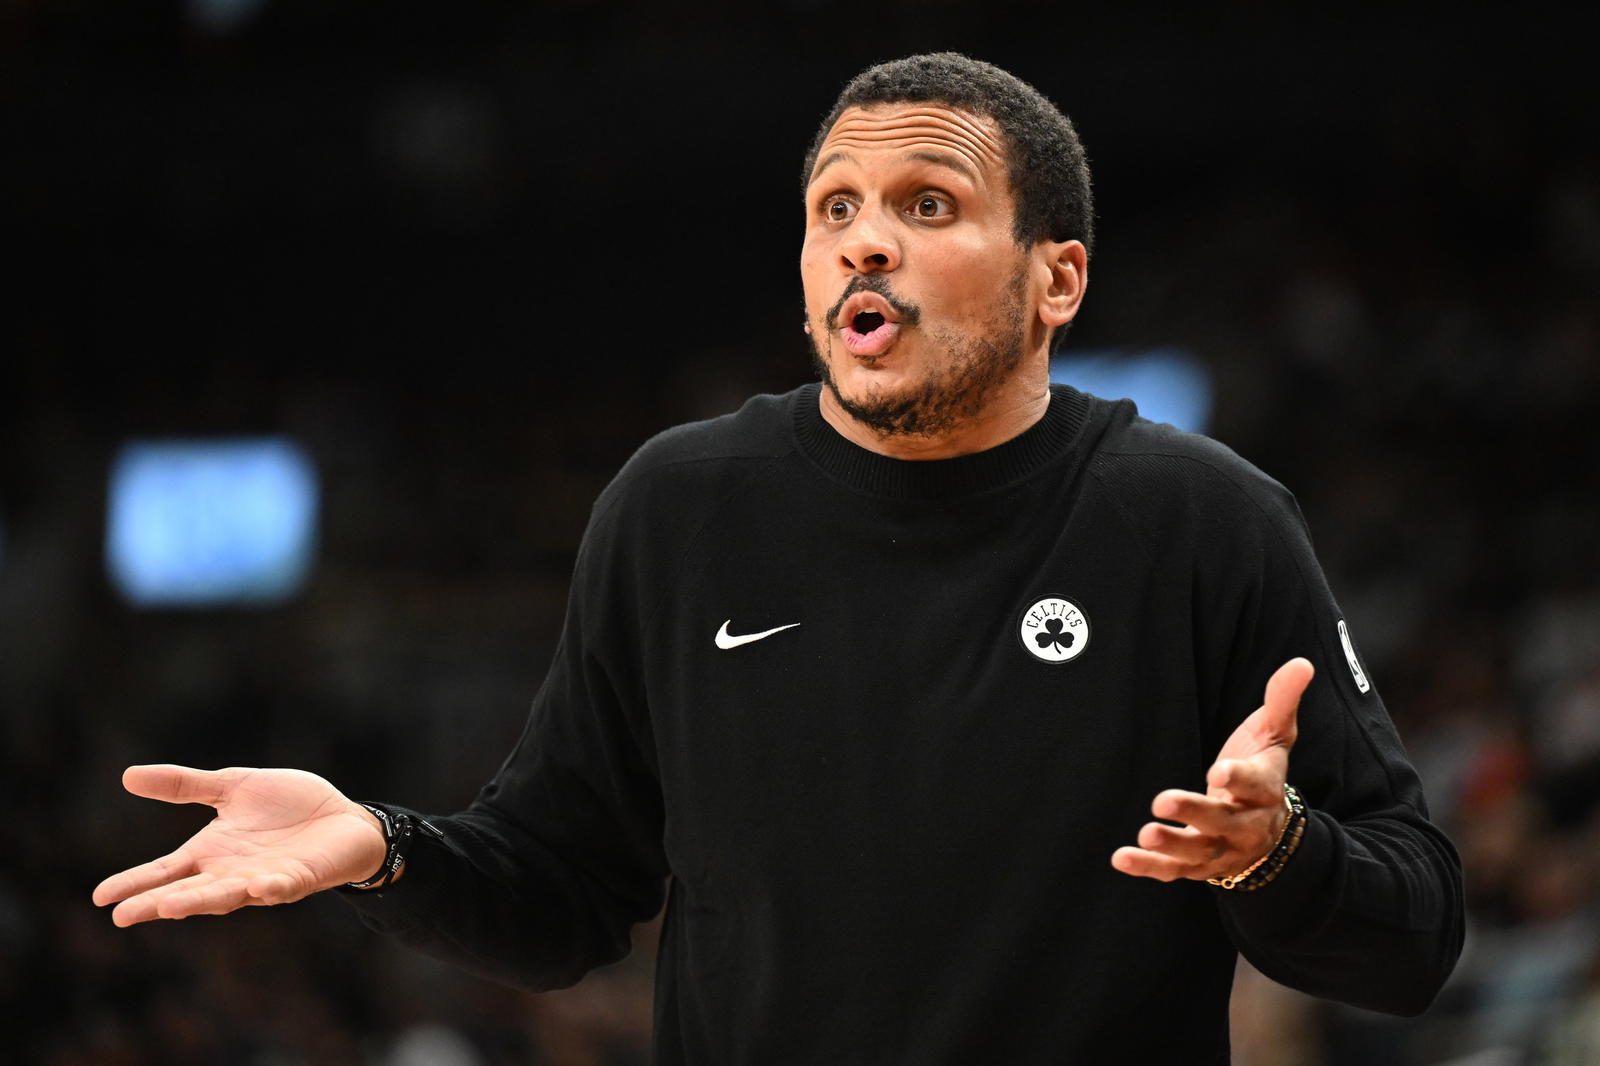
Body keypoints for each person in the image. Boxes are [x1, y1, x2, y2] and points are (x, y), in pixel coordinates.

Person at [94, 52, 1464, 1062]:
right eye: (834, 208)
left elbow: (1414, 936)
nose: (866, 239)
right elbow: (565, 893)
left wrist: (1274, 855)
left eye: (929, 204)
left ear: (1057, 278)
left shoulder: (1203, 521)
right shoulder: (679, 507)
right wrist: (381, 849)